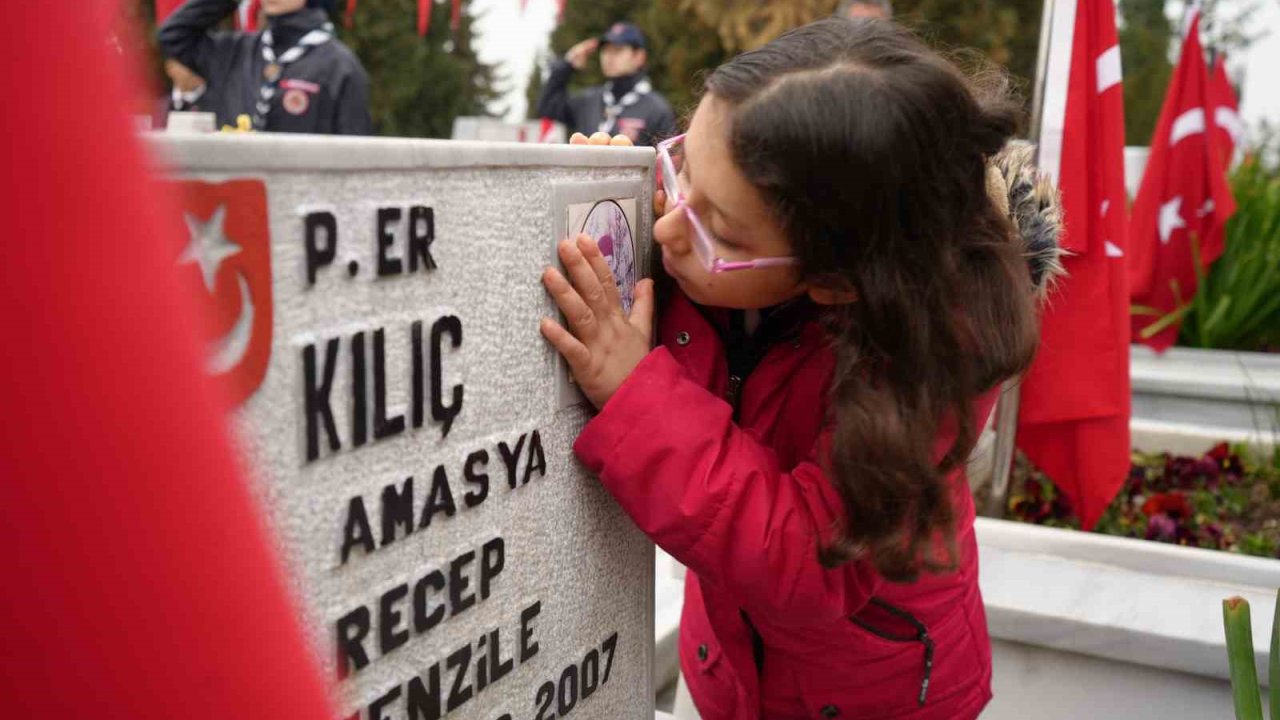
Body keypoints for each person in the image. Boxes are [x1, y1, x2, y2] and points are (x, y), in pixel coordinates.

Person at [539, 18, 1062, 720]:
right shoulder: (716, 260)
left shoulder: (937, 355)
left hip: (878, 698)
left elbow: (811, 562)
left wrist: (636, 395)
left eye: (720, 230)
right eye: (681, 168)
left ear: (839, 278)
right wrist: (614, 211)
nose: (669, 227)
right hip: (726, 665)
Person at [158, 0, 371, 134]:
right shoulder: (234, 51)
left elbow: (355, 157)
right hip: (236, 190)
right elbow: (174, 36)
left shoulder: (339, 65)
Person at [535, 22, 677, 147]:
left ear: (639, 57)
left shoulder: (657, 108)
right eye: (605, 50)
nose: (609, 57)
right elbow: (547, 107)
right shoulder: (588, 100)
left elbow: (666, 161)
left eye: (617, 50)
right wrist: (566, 65)